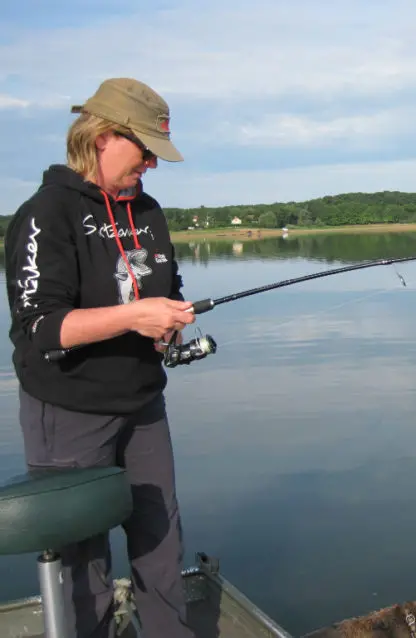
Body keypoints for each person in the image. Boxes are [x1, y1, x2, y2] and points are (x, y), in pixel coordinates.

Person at [3, 78, 197, 637]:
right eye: (144, 152)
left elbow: (166, 286)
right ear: (104, 137)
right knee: (81, 555)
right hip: (69, 409)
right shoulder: (45, 214)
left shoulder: (150, 209)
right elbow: (41, 327)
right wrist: (136, 317)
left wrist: (167, 328)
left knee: (161, 541)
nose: (151, 167)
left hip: (143, 403)